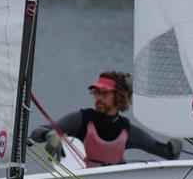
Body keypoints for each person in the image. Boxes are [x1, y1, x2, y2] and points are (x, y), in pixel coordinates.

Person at [30, 71, 182, 167]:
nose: (98, 98)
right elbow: (36, 133)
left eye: (104, 93)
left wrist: (176, 144)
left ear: (119, 96)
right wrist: (49, 135)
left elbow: (167, 153)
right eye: (96, 93)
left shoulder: (127, 130)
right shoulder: (81, 119)